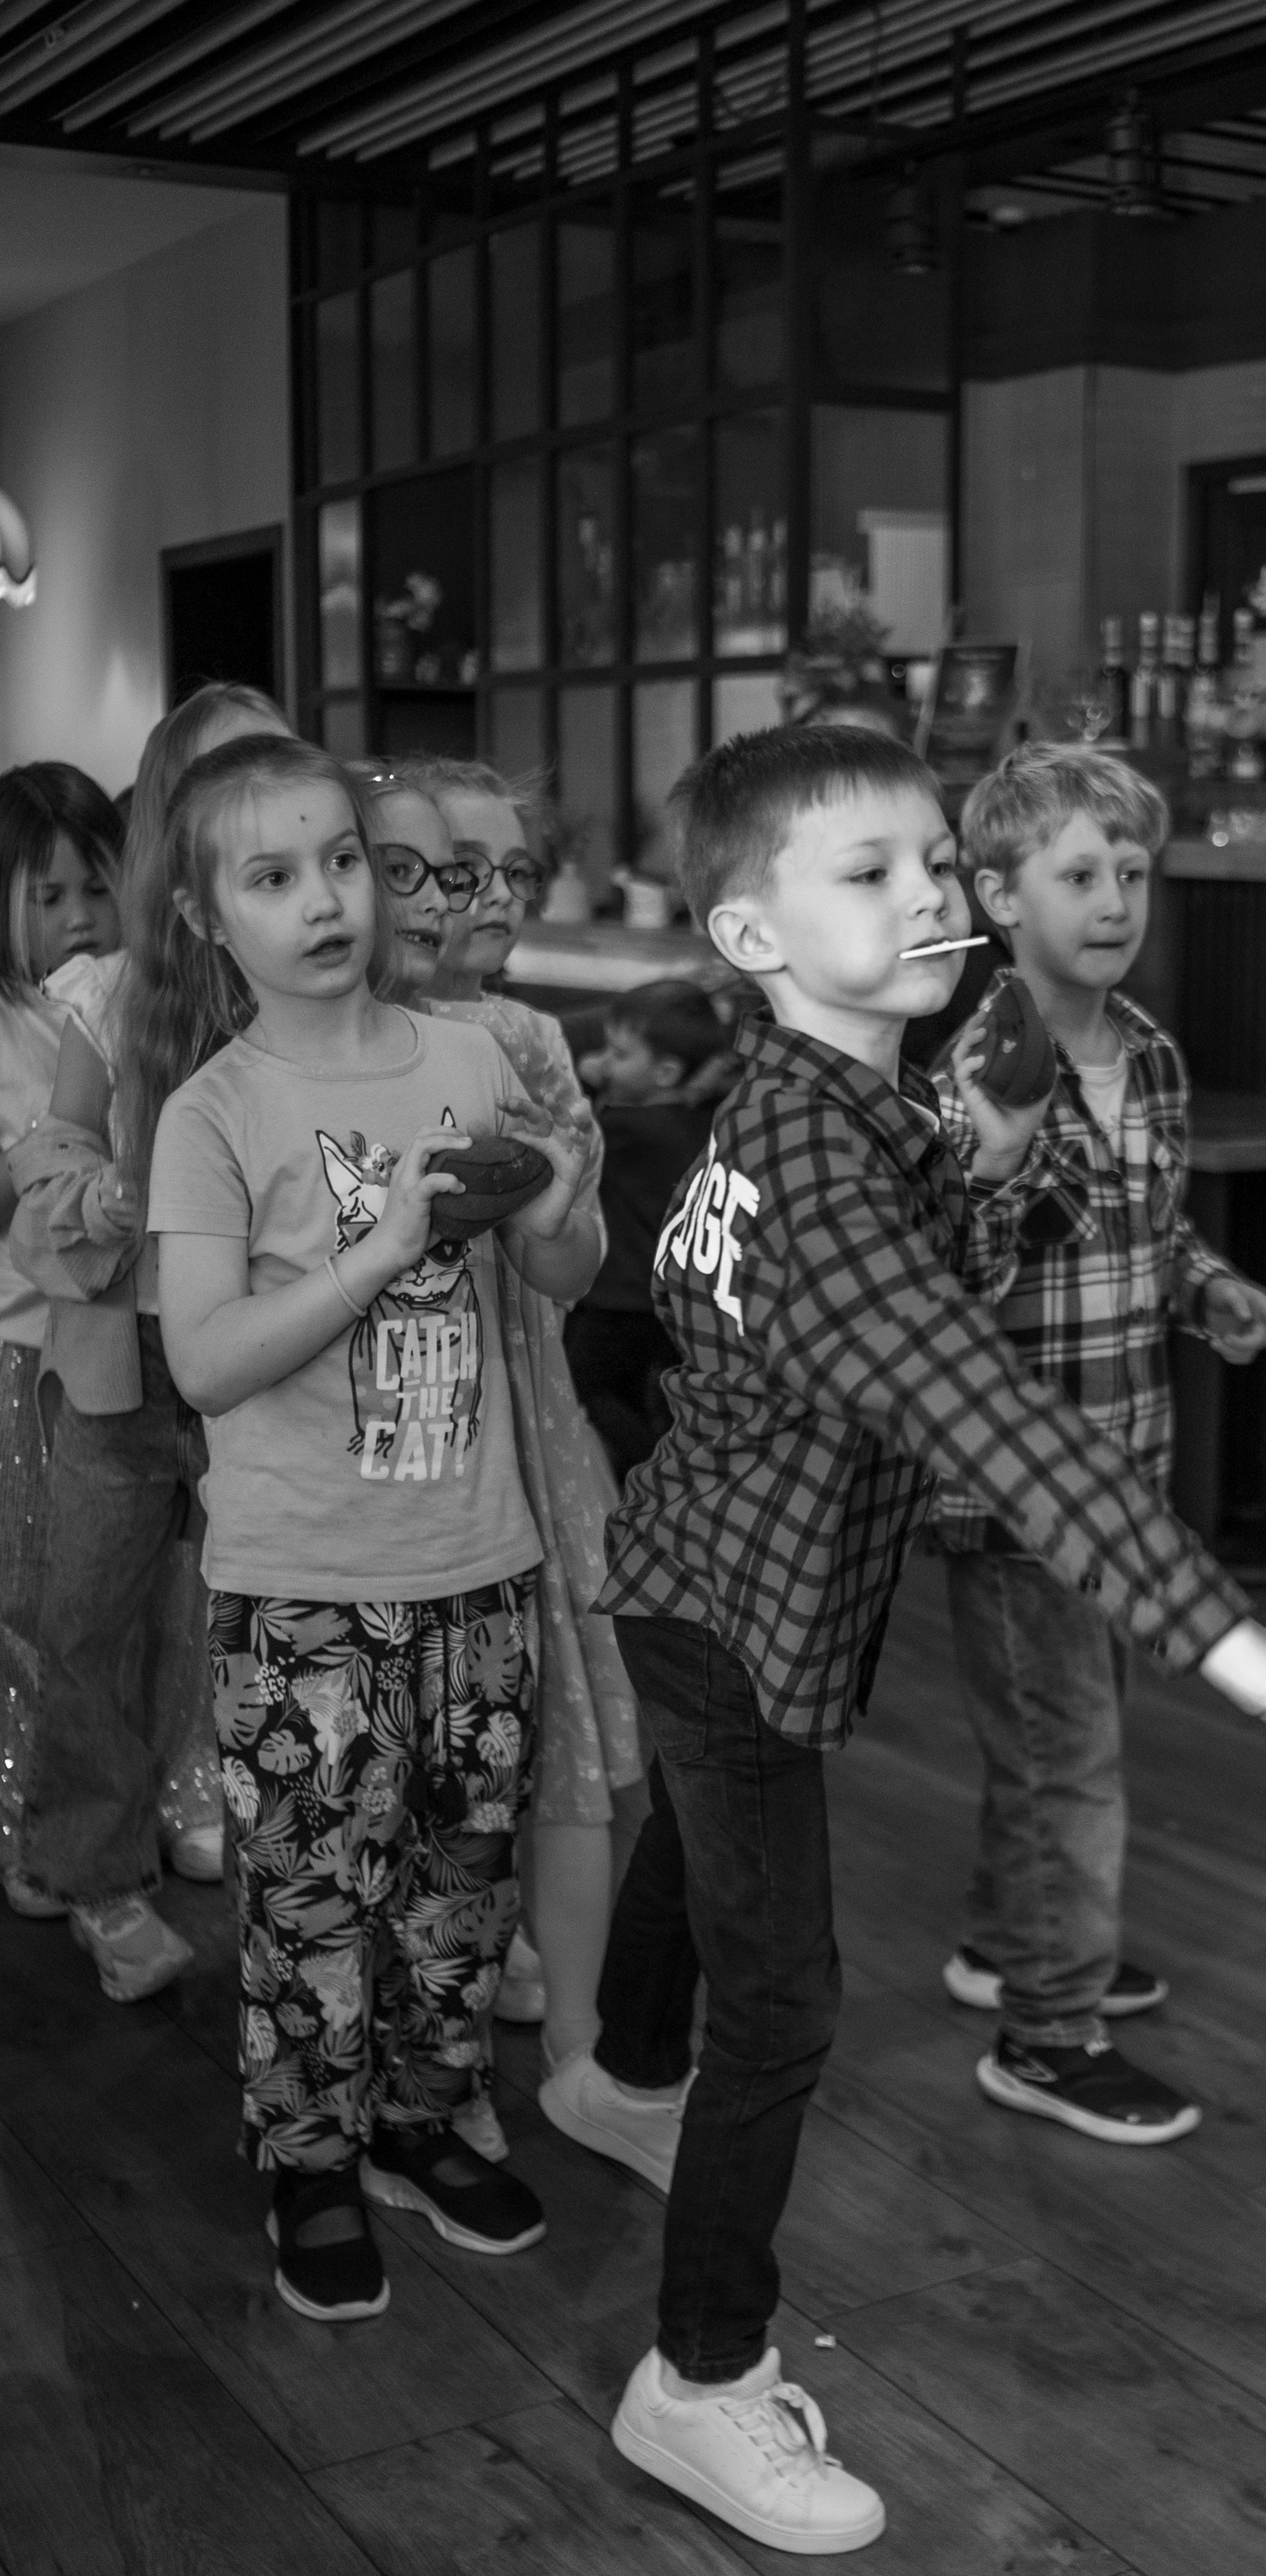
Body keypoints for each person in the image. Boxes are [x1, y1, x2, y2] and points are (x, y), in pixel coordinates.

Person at [584, 723, 1266, 2555]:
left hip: (704, 1584)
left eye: (931, 863)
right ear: (750, 937)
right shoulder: (820, 1163)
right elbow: (988, 1414)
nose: (927, 897)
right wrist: (1230, 1642)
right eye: (867, 873)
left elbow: (888, 1286)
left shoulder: (829, 1104)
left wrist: (990, 1158)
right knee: (786, 1999)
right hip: (730, 1609)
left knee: (699, 1839)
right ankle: (700, 2378)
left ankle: (616, 2068)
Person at [139, 732, 593, 2324]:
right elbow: (206, 1359)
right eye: (273, 877)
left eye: (341, 859)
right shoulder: (212, 1111)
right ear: (207, 917)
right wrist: (381, 1244)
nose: (325, 899)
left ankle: (422, 2117)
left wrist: (560, 1205)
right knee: (310, 1895)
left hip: (479, 1560)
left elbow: (558, 1274)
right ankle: (311, 2157)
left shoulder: (466, 1058)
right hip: (300, 1586)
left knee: (461, 1882)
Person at [931, 741, 1266, 2136]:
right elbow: (951, 1275)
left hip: (1127, 1469)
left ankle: (1009, 1939)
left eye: (1132, 873)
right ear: (998, 896)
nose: (1114, 901)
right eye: (1079, 874)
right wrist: (1000, 1160)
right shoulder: (979, 1074)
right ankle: (1047, 2030)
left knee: (1063, 1733)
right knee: (1067, 1756)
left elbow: (1155, 1231)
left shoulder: (1147, 1053)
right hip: (1019, 1489)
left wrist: (1208, 1290)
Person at [8, 685, 289, 1997]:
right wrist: (104, 1188)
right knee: (89, 1620)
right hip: (126, 1356)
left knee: (256, 1614)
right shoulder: (112, 990)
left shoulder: (312, 981)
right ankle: (93, 1870)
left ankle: (273, 1833)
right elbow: (54, 1146)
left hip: (272, 1358)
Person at [393, 755, 647, 2118]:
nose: (487, 895)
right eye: (451, 869)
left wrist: (555, 1201)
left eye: (510, 869)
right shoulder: (342, 1040)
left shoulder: (529, 1039)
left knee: (568, 1739)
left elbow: (571, 1262)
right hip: (398, 1441)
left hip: (529, 1425)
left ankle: (582, 2050)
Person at [0, 764, 122, 1917]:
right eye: (49, 895)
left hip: (110, 1350)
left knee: (113, 1598)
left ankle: (141, 1792)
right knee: (31, 1591)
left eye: (99, 886)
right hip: (19, 1352)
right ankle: (28, 1799)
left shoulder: (128, 1007)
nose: (80, 918)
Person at [566, 977, 730, 1479]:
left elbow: (574, 1138)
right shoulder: (698, 1123)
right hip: (664, 1298)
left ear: (665, 1072)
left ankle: (654, 1474)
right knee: (639, 1394)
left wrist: (588, 1080)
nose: (603, 1061)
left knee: (586, 1389)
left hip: (617, 1297)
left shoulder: (624, 1127)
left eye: (619, 1054)